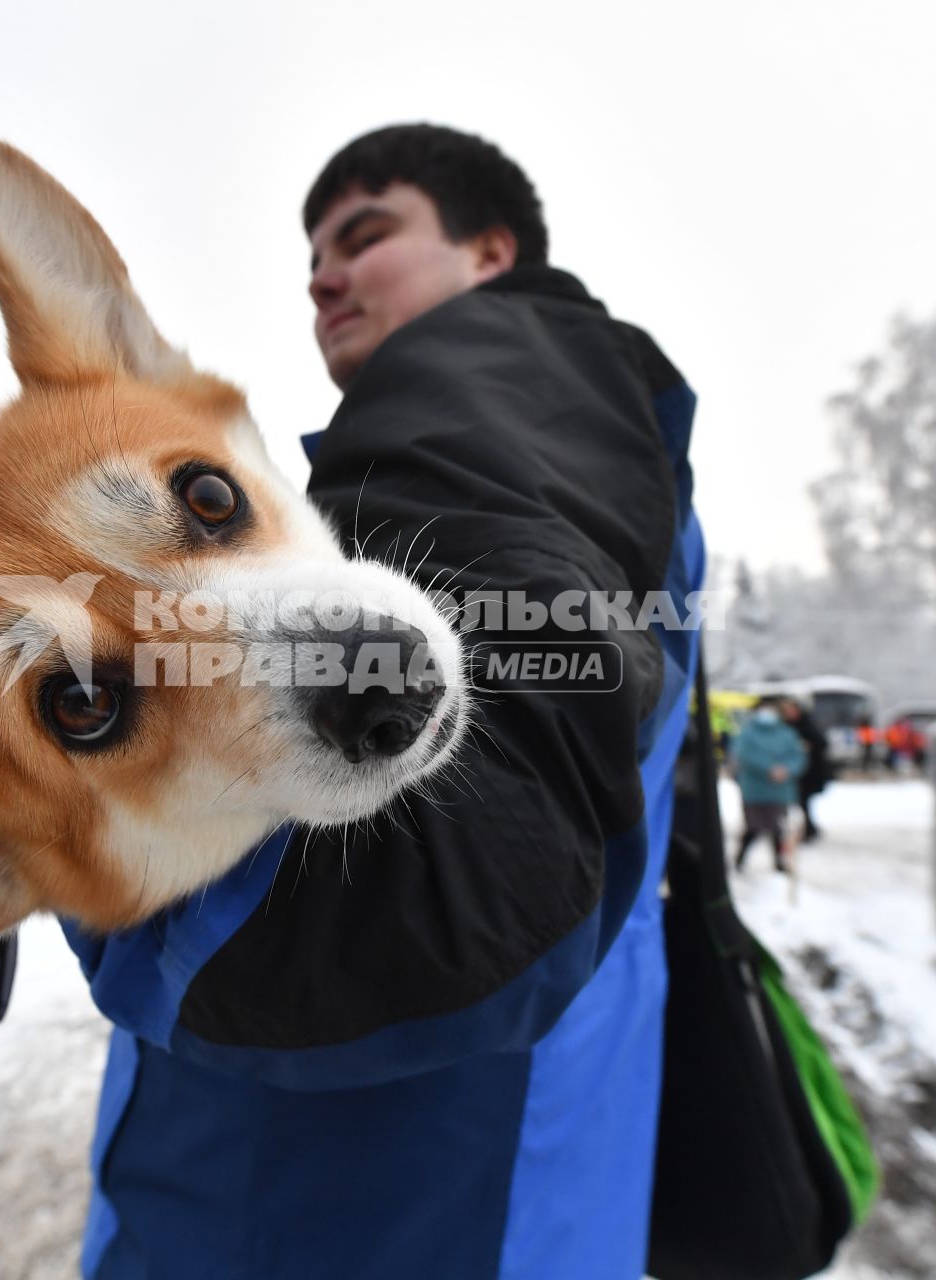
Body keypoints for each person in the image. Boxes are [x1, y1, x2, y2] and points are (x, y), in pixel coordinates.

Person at [57, 123, 703, 1278]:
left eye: (368, 234)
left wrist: (29, 726)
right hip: (492, 1189)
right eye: (313, 257)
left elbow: (456, 890)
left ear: (490, 252)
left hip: (351, 1214)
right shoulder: (573, 438)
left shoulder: (486, 380)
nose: (324, 274)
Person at [731, 696, 808, 872]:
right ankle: (740, 859)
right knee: (753, 827)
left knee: (779, 828)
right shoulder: (747, 733)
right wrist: (769, 769)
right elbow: (744, 755)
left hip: (780, 791)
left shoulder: (787, 733)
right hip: (754, 789)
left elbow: (798, 757)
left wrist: (787, 769)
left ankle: (779, 862)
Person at [781, 696, 833, 841]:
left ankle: (809, 829)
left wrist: (807, 745)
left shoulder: (807, 724)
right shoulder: (785, 726)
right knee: (798, 802)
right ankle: (806, 829)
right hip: (794, 772)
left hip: (810, 772)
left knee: (804, 802)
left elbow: (821, 743)